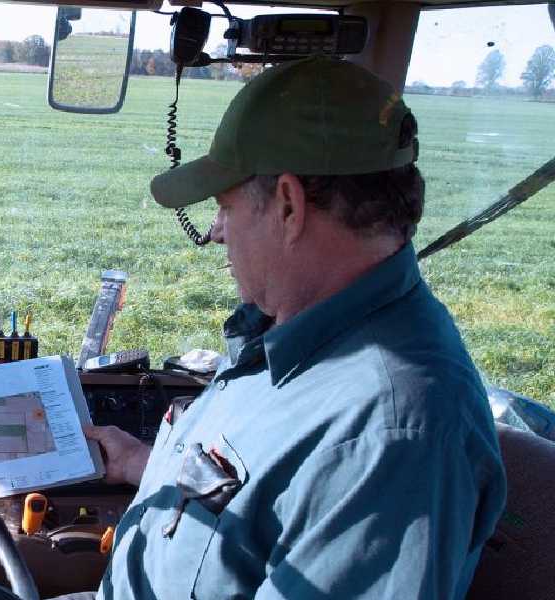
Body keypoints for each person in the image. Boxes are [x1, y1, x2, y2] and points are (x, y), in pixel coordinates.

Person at [78, 56, 507, 599]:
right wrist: (147, 464)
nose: (215, 232)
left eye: (225, 206)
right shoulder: (304, 333)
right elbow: (264, 490)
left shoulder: (388, 438)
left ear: (288, 206)